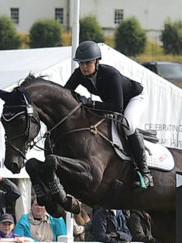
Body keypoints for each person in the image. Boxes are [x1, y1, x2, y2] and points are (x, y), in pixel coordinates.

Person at [64, 40, 152, 189]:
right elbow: (65, 93)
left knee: (128, 124)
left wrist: (90, 103)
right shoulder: (79, 74)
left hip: (134, 98)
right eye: (81, 63)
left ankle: (145, 173)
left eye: (88, 63)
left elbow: (117, 107)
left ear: (97, 62)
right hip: (114, 102)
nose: (84, 67)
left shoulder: (111, 74)